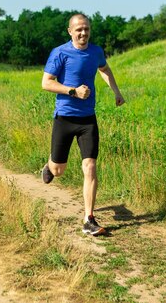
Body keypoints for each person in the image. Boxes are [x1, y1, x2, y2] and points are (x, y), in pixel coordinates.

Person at [41, 13, 125, 236]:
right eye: (78, 29)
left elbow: (104, 69)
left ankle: (89, 219)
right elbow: (46, 83)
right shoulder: (60, 53)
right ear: (70, 31)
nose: (83, 33)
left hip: (88, 119)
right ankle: (49, 166)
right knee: (59, 171)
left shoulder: (95, 52)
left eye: (86, 29)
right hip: (65, 118)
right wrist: (73, 91)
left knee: (90, 166)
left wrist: (116, 92)